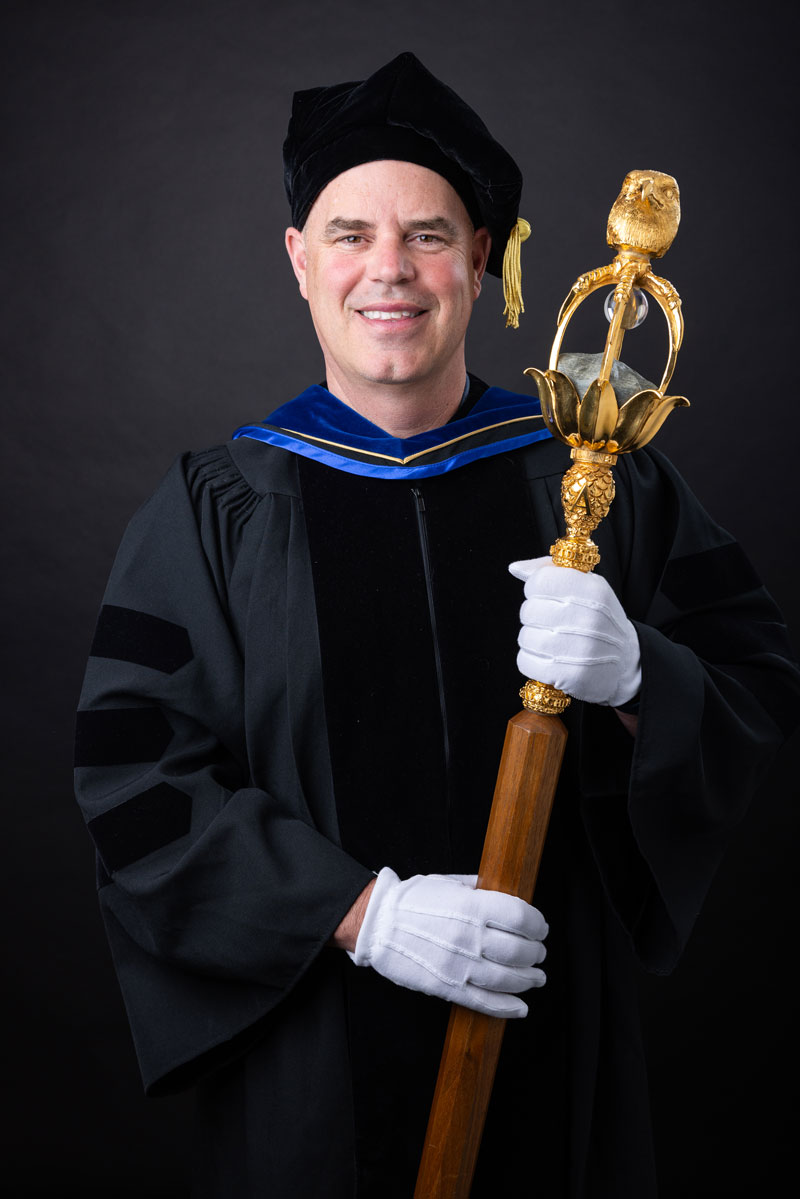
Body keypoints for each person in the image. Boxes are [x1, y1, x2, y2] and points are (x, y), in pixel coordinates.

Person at [74, 52, 800, 1198]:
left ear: (480, 257)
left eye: (426, 234)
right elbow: (135, 785)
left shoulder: (599, 480)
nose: (387, 271)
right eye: (349, 233)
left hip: (557, 1060)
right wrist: (361, 914)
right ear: (298, 259)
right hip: (312, 1075)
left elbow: (756, 678)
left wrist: (637, 680)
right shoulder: (217, 507)